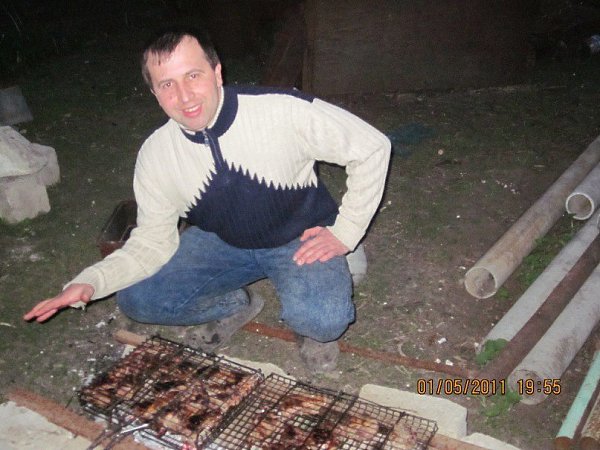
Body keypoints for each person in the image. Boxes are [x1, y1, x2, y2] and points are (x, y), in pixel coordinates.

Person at [23, 28, 391, 373]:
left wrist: (345, 231)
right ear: (154, 92)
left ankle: (313, 316)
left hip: (299, 237)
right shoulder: (157, 155)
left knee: (324, 320)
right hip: (222, 240)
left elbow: (371, 147)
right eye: (167, 84)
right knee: (138, 301)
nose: (184, 96)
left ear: (217, 72)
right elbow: (150, 241)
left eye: (193, 75)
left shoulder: (281, 111)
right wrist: (90, 282)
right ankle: (237, 305)